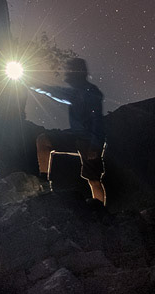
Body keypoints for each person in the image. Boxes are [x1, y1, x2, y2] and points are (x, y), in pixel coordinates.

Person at [31, 58, 106, 205]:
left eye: (68, 70)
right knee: (43, 140)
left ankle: (100, 210)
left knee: (94, 179)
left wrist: (95, 146)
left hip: (89, 140)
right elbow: (55, 91)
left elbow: (98, 120)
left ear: (76, 72)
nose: (65, 73)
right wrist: (34, 85)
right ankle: (44, 183)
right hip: (75, 135)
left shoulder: (90, 92)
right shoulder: (75, 92)